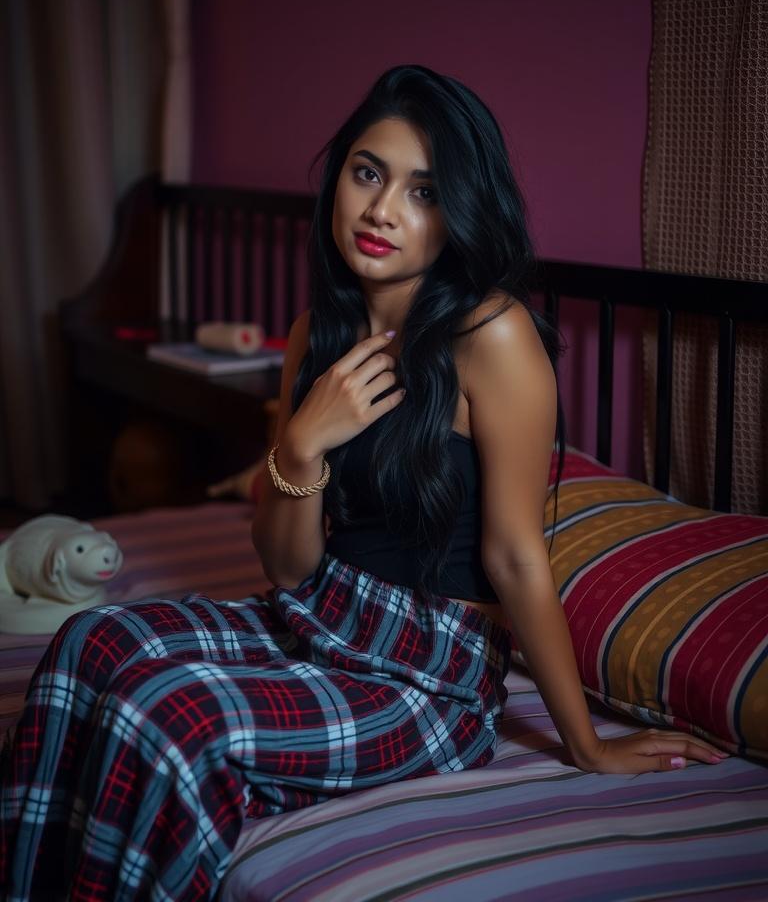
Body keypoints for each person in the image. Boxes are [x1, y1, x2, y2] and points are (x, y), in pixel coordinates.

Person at [0, 65, 725, 902]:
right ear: (340, 174)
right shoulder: (316, 332)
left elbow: (517, 557)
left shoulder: (492, 334)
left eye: (424, 192)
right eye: (369, 173)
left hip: (427, 678)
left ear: (456, 216)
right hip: (315, 617)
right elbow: (286, 570)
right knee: (88, 646)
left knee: (168, 717)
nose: (383, 211)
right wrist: (304, 444)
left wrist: (586, 744)